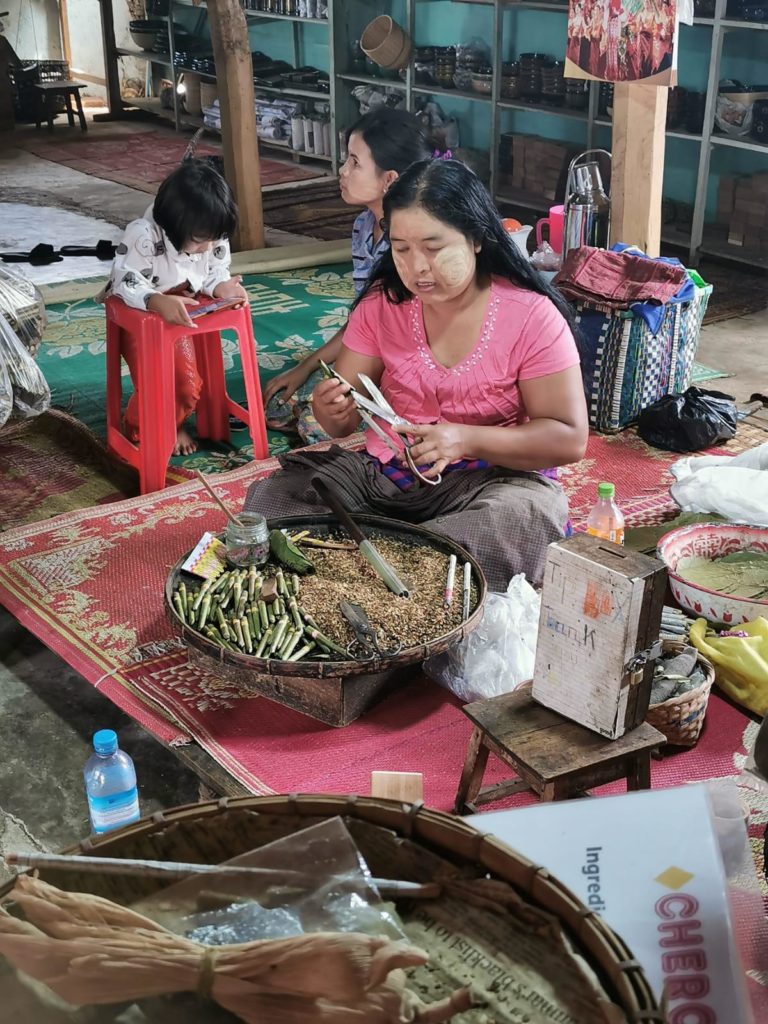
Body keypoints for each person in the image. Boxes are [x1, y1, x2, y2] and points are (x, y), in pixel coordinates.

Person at [244, 160, 588, 590]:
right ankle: (405, 572)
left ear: (477, 237)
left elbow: (568, 438)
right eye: (401, 249)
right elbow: (345, 420)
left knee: (523, 518)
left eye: (433, 246)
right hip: (389, 478)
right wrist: (328, 408)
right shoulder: (382, 305)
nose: (416, 267)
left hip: (492, 479)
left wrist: (464, 439)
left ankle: (379, 571)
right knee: (275, 498)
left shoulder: (531, 317)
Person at [261, 108, 433, 445]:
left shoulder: (412, 244)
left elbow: (398, 333)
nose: (342, 170)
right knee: (277, 406)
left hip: (405, 358)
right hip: (367, 346)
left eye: (354, 162)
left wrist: (332, 372)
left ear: (390, 180)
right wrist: (306, 367)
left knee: (317, 425)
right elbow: (362, 319)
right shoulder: (363, 227)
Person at [102, 159, 247, 455]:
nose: (208, 247)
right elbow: (123, 279)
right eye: (199, 240)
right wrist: (156, 301)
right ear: (176, 224)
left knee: (188, 384)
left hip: (185, 311)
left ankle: (173, 417)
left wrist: (221, 286)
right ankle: (143, 424)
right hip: (141, 313)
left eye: (214, 239)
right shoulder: (143, 235)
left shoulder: (212, 233)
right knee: (178, 384)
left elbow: (214, 269)